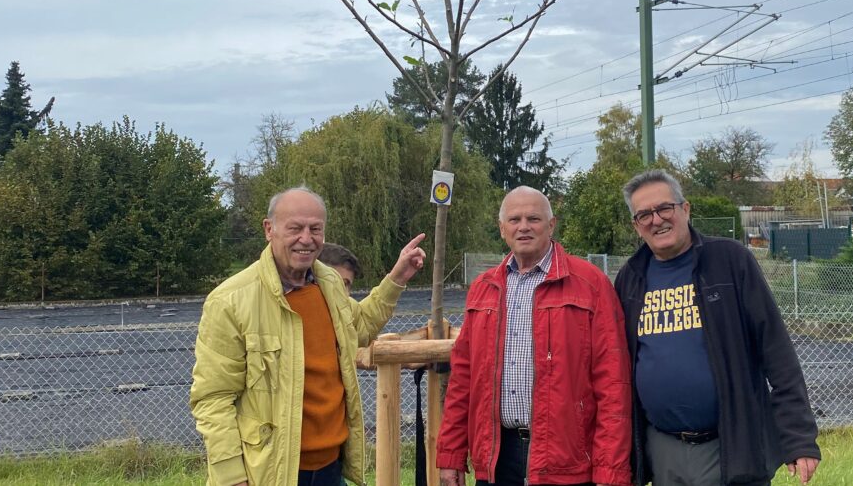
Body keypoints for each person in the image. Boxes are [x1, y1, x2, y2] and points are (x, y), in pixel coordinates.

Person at [190, 186, 426, 486]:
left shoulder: (328, 282)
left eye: (315, 229)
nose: (306, 238)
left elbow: (360, 328)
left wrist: (398, 277)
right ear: (268, 229)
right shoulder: (230, 301)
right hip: (269, 473)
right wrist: (232, 476)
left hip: (330, 468)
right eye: (295, 228)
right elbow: (213, 399)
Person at [614, 170, 821, 486]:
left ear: (685, 209)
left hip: (730, 444)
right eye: (644, 214)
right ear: (636, 225)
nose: (656, 220)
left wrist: (799, 437)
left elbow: (776, 350)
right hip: (664, 449)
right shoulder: (631, 278)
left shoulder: (729, 260)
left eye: (664, 208)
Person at [436, 186, 632, 486]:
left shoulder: (589, 284)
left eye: (533, 218)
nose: (523, 227)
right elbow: (464, 378)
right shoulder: (482, 289)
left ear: (551, 225)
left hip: (567, 459)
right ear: (503, 229)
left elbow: (613, 382)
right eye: (514, 220)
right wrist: (451, 455)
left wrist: (610, 470)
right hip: (498, 455)